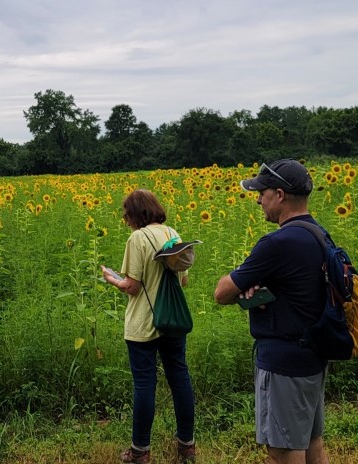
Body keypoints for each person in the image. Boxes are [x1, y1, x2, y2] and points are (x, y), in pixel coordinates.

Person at [214, 160, 329, 464]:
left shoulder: (277, 243)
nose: (257, 200)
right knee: (312, 444)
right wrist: (259, 285)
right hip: (313, 355)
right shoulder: (317, 233)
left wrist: (244, 284)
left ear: (279, 194)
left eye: (261, 193)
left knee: (282, 452)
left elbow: (222, 293)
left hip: (283, 363)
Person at [101, 189, 197, 464]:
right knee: (180, 379)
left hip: (144, 322)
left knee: (144, 384)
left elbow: (132, 286)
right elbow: (183, 280)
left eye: (126, 213)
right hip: (172, 320)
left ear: (136, 214)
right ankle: (187, 446)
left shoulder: (138, 238)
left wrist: (112, 279)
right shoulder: (172, 234)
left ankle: (140, 450)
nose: (125, 218)